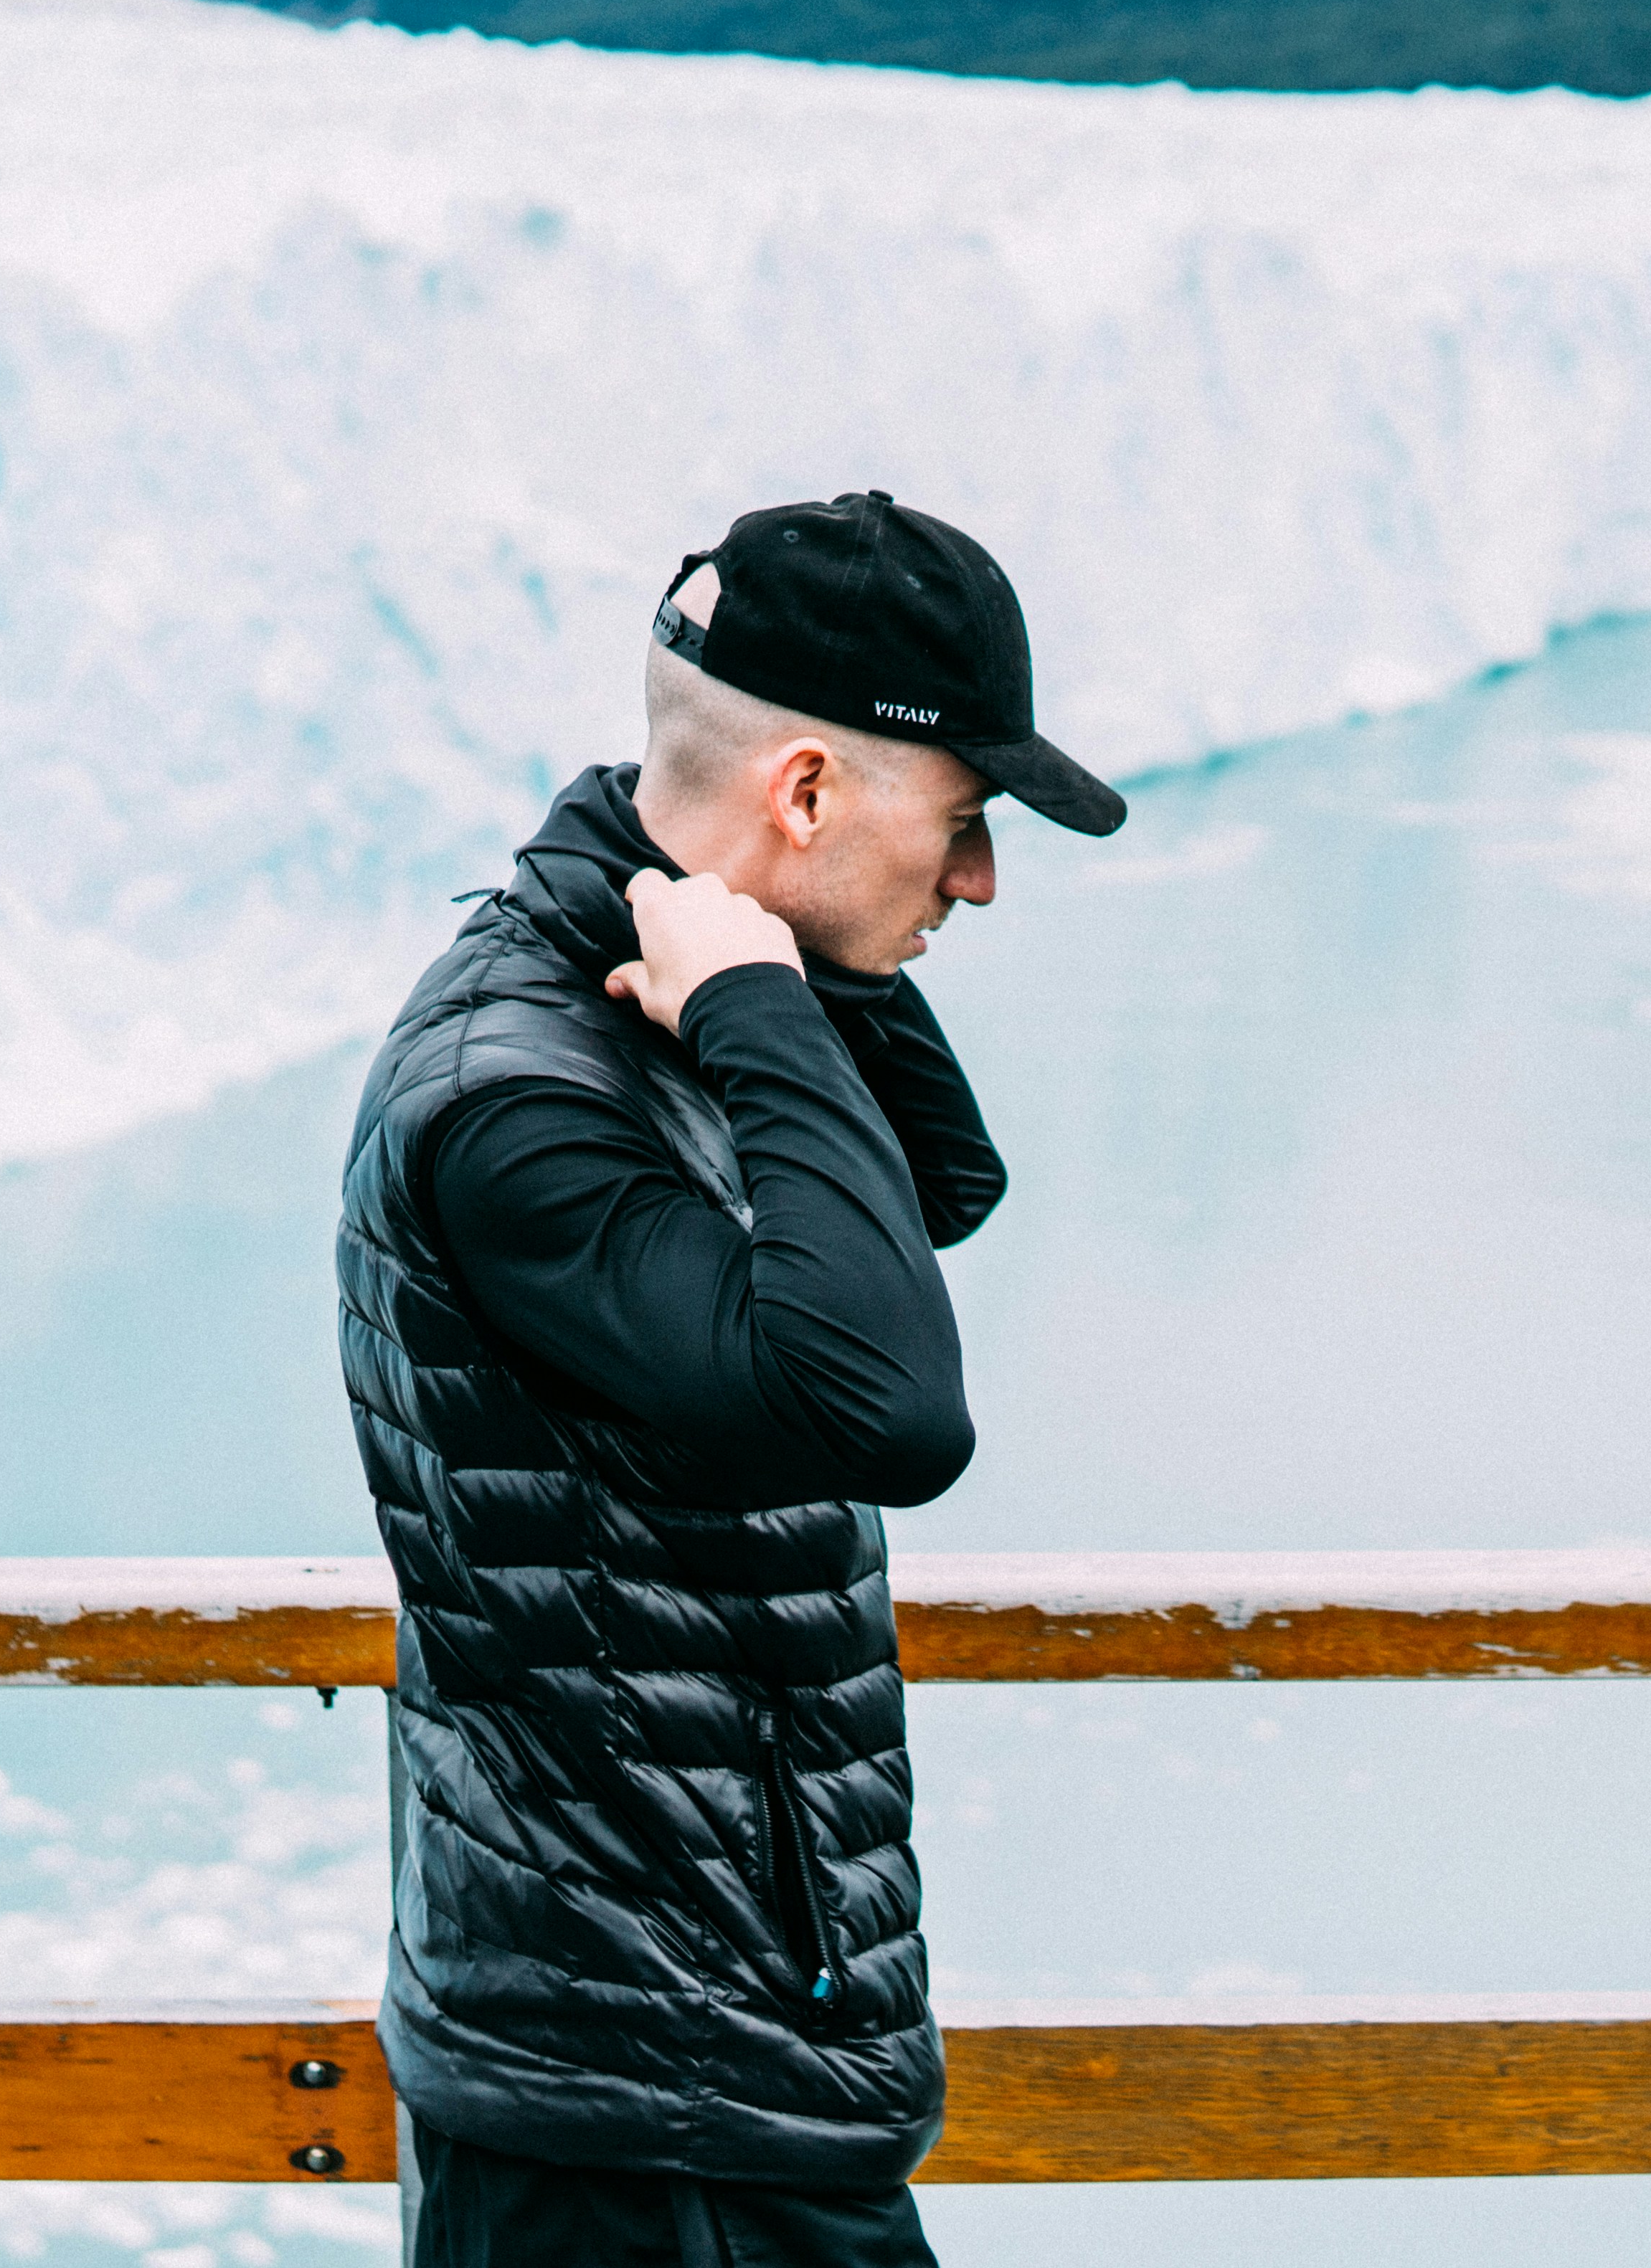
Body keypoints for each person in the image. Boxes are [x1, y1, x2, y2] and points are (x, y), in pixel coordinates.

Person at [336, 490, 1125, 2266]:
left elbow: (937, 1188)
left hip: (702, 2055)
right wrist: (758, 995)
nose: (981, 879)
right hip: (637, 2107)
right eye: (968, 819)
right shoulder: (523, 1104)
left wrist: (732, 936)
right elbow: (893, 1407)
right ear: (807, 793)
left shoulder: (637, 996)